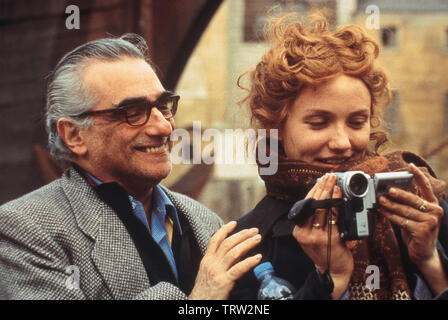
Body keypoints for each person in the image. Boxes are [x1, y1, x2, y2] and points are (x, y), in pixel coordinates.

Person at [0, 34, 262, 300]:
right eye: (133, 113)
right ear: (74, 135)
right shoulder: (25, 230)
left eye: (163, 106)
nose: (164, 127)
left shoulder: (205, 221)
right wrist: (201, 299)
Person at [229, 14, 448, 300]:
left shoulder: (419, 206)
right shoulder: (250, 241)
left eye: (357, 122)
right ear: (275, 127)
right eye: (319, 123)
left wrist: (431, 262)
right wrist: (328, 281)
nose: (342, 143)